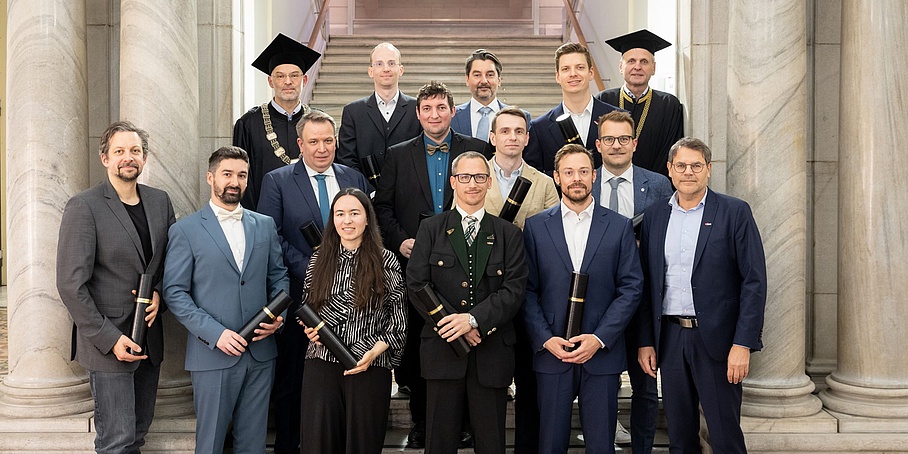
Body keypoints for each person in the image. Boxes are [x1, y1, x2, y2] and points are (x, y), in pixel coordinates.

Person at [374, 80, 492, 449]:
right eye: (427, 108)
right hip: (419, 268)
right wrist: (400, 240)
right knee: (421, 349)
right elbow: (383, 208)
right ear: (418, 113)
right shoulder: (397, 154)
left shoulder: (476, 149)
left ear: (453, 111)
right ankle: (424, 423)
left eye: (442, 107)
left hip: (468, 264)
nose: (434, 114)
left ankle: (470, 423)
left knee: (470, 345)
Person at [637, 137, 766, 453]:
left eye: (696, 165)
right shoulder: (655, 216)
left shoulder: (734, 212)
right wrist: (645, 341)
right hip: (669, 340)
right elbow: (646, 284)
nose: (688, 172)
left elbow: (754, 281)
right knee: (680, 437)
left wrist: (743, 344)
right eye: (681, 165)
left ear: (708, 169)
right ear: (670, 170)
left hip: (719, 342)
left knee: (724, 436)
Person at [56, 121, 175, 454]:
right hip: (108, 344)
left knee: (137, 434)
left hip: (148, 338)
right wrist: (109, 339)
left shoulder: (159, 202)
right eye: (119, 151)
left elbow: (171, 264)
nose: (128, 157)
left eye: (135, 151)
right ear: (104, 157)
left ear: (144, 157)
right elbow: (70, 284)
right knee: (115, 440)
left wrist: (160, 296)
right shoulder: (85, 206)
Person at [163, 146, 289, 454]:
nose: (235, 181)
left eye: (242, 175)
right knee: (210, 444)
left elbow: (279, 278)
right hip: (212, 356)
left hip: (261, 354)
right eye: (227, 174)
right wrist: (215, 334)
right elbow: (174, 293)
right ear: (211, 177)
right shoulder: (185, 230)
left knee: (253, 443)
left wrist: (278, 320)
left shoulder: (265, 225)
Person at [256, 110, 368, 454]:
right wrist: (315, 267)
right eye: (314, 141)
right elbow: (271, 234)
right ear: (300, 144)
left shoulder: (354, 176)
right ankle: (290, 446)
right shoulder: (277, 180)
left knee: (342, 373)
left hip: (352, 296)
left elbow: (367, 228)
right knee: (293, 376)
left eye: (328, 140)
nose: (322, 149)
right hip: (298, 293)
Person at [522, 144, 643, 454]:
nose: (577, 178)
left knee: (602, 445)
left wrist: (600, 338)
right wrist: (545, 339)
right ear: (557, 177)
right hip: (552, 353)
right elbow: (526, 290)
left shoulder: (618, 226)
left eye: (584, 171)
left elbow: (631, 287)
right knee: (550, 444)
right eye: (569, 172)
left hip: (600, 355)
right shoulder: (536, 227)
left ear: (594, 175)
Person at [407, 151, 528, 454]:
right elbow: (417, 284)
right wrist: (457, 325)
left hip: (492, 355)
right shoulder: (430, 229)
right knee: (439, 443)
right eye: (464, 177)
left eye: (479, 177)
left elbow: (514, 290)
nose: (471, 184)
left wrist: (473, 320)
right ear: (453, 182)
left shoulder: (508, 234)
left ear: (489, 183)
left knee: (491, 444)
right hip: (442, 351)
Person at [298, 188, 407, 453]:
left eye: (354, 213)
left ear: (367, 219)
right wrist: (309, 330)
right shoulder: (318, 260)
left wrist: (372, 353)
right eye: (340, 214)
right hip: (322, 364)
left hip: (369, 364)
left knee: (363, 444)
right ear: (333, 220)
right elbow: (307, 310)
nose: (347, 220)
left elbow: (399, 322)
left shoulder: (386, 260)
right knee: (318, 444)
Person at [590, 110, 673, 452]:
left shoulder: (658, 185)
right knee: (599, 384)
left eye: (624, 138)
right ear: (598, 145)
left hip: (643, 300)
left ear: (635, 143)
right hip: (596, 299)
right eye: (609, 139)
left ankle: (643, 447)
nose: (617, 145)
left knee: (645, 382)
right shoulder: (583, 179)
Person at [481, 106, 558, 454]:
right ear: (493, 137)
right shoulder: (475, 176)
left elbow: (554, 239)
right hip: (485, 293)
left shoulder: (544, 183)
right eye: (505, 131)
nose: (512, 137)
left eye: (519, 131)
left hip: (529, 292)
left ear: (527, 138)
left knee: (530, 381)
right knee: (490, 381)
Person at [233, 33, 321, 212]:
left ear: (304, 80)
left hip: (312, 216)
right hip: (264, 216)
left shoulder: (318, 123)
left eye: (294, 76)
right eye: (280, 76)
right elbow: (241, 176)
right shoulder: (249, 124)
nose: (287, 82)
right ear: (270, 81)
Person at [596, 29, 684, 178]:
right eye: (631, 61)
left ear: (653, 68)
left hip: (655, 188)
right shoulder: (603, 100)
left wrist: (650, 183)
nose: (637, 67)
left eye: (644, 62)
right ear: (621, 67)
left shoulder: (669, 105)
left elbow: (671, 153)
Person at [524, 42, 620, 177]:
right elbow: (537, 178)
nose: (573, 74)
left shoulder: (617, 118)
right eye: (566, 69)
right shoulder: (540, 128)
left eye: (580, 67)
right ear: (558, 76)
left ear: (591, 73)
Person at [336, 42, 421, 175]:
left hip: (408, 193)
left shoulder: (417, 109)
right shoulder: (352, 112)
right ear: (370, 71)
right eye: (379, 64)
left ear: (401, 70)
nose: (386, 69)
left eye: (392, 63)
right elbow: (347, 159)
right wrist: (367, 191)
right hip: (365, 192)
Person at [450, 49, 531, 142]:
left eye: (490, 75)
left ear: (499, 80)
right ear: (467, 79)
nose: (484, 81)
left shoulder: (522, 117)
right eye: (477, 75)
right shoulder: (452, 117)